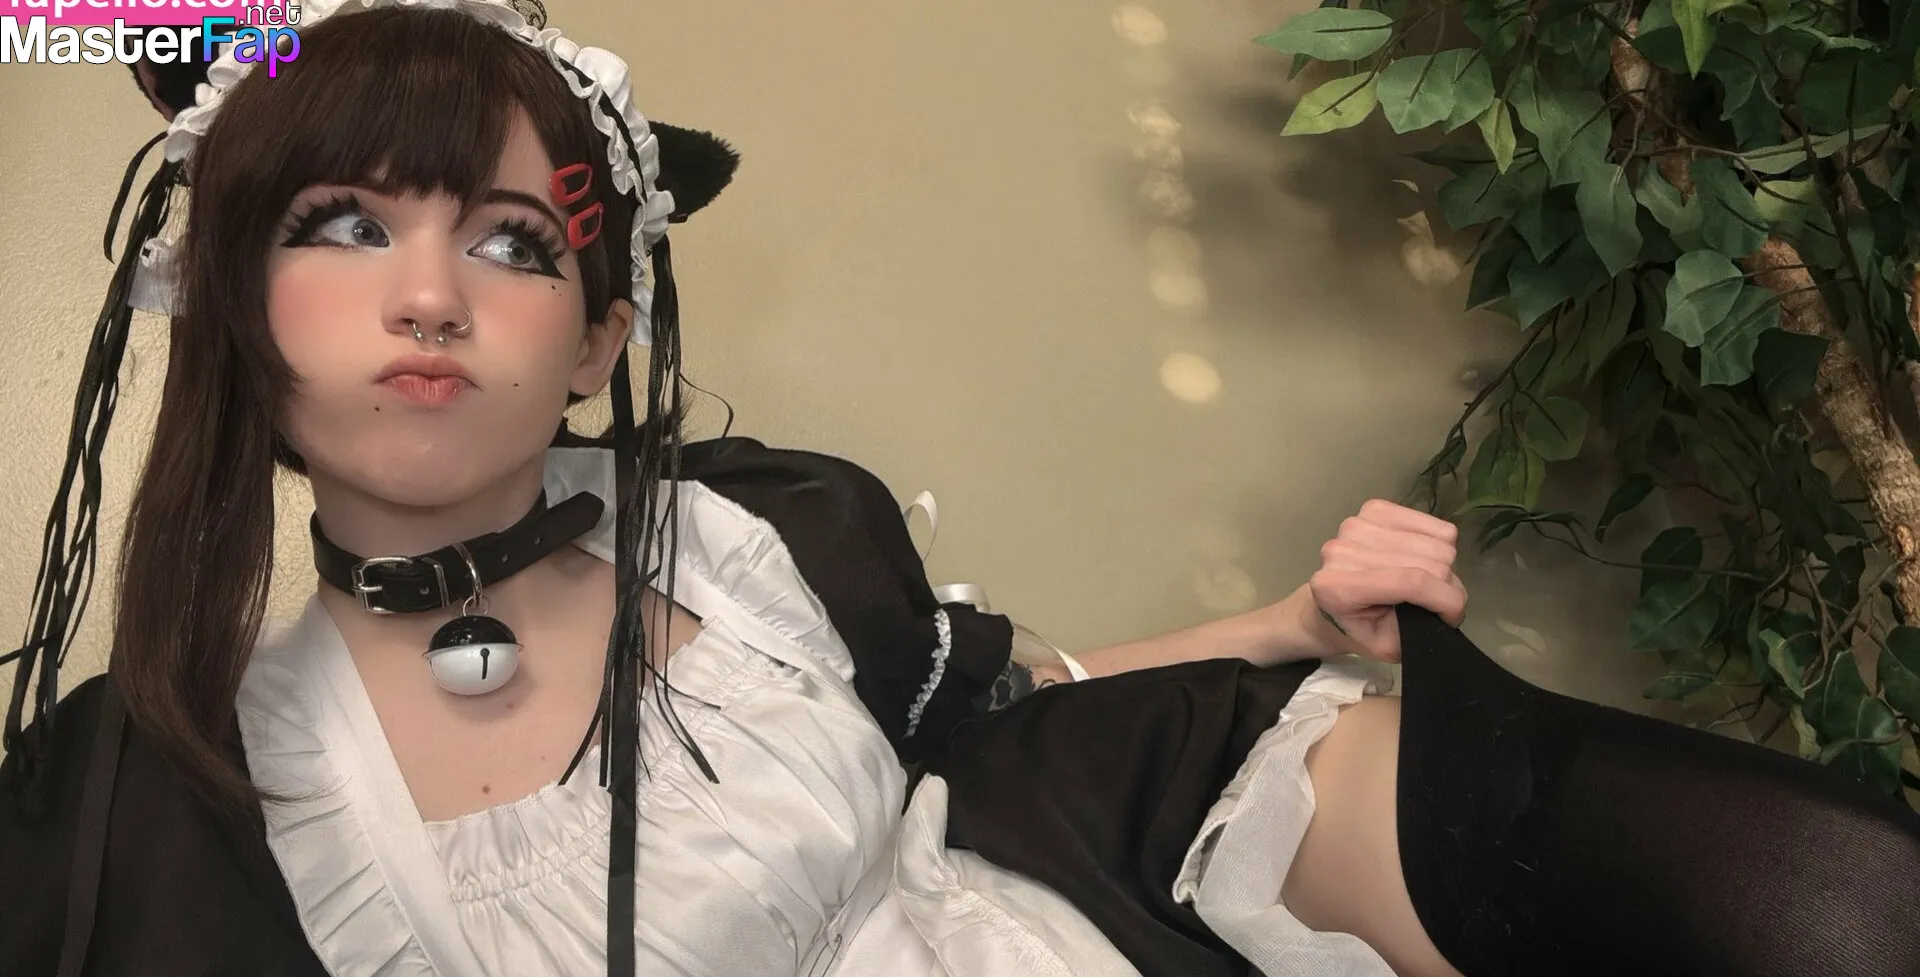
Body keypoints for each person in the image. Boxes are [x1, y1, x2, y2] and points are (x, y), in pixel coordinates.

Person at [2, 3, 1916, 976]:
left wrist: (1282, 624)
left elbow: (987, 704)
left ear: (598, 335)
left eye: (512, 241)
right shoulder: (158, 794)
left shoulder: (763, 532)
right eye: (342, 224)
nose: (430, 295)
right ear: (230, 304)